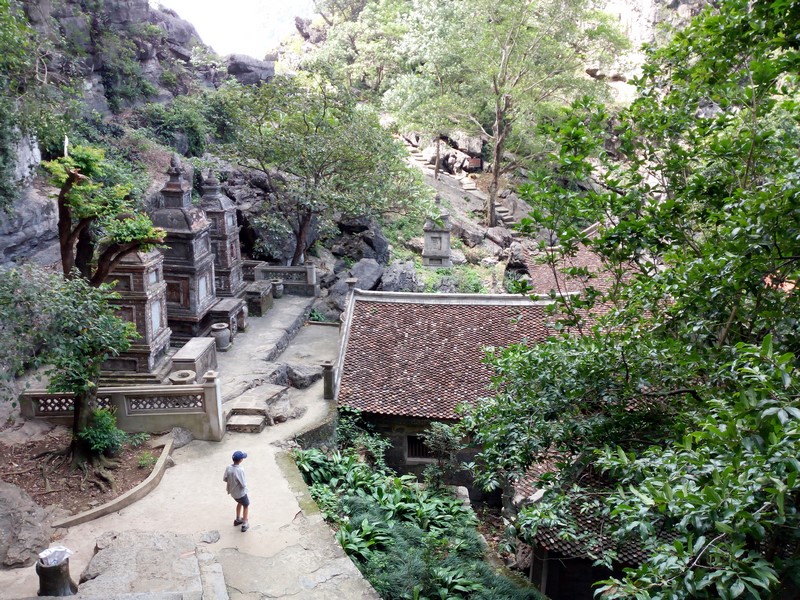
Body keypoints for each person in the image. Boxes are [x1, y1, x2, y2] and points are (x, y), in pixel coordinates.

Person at [223, 450, 250, 532]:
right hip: (241, 493)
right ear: (241, 460)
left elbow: (225, 479)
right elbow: (243, 484)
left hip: (233, 493)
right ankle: (244, 523)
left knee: (239, 503)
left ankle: (238, 519)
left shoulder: (228, 467)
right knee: (246, 505)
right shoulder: (240, 470)